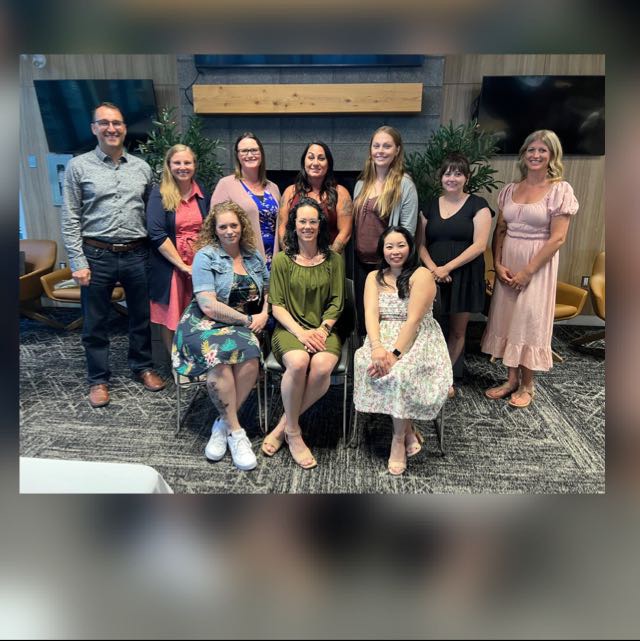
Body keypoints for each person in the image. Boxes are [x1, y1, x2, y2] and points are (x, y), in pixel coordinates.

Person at [61, 101, 165, 408]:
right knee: (95, 323)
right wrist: (78, 262)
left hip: (137, 254)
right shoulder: (78, 167)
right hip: (96, 255)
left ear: (124, 128)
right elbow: (70, 217)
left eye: (117, 123)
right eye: (104, 123)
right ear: (94, 128)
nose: (111, 128)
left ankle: (142, 366)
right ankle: (98, 379)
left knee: (140, 317)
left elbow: (151, 214)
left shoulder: (142, 168)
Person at [481, 130, 578, 408]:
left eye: (542, 150)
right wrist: (497, 263)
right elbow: (501, 229)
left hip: (537, 266)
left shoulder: (560, 190)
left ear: (552, 156)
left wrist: (527, 272)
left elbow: (557, 238)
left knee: (528, 320)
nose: (535, 155)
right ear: (524, 154)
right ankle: (511, 379)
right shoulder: (510, 189)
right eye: (531, 150)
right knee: (507, 319)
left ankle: (528, 384)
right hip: (508, 262)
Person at [172, 201, 269, 471]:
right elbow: (208, 305)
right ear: (214, 229)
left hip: (241, 324)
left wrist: (264, 313)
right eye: (223, 226)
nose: (229, 231)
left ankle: (222, 424)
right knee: (219, 358)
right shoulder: (206, 256)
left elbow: (269, 290)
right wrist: (247, 320)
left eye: (234, 225)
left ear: (242, 226)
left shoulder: (253, 256)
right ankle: (236, 432)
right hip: (203, 323)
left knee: (251, 356)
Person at [353, 226, 451, 475]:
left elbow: (414, 320)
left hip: (418, 338)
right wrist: (377, 347)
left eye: (401, 245)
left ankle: (397, 441)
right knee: (366, 362)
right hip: (382, 335)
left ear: (410, 248)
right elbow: (371, 314)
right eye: (389, 246)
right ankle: (408, 430)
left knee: (399, 373)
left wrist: (394, 355)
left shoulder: (421, 274)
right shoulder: (374, 277)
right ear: (382, 250)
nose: (395, 251)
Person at [261, 198, 345, 470]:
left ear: (320, 225)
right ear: (294, 225)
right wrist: (302, 334)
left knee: (321, 367)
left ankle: (283, 427)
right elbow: (277, 305)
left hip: (324, 329)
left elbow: (337, 302)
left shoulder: (334, 259)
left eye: (313, 221)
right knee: (298, 362)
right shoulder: (282, 260)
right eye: (302, 221)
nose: (307, 226)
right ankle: (295, 434)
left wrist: (321, 330)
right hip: (290, 328)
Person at [419, 153, 493, 398]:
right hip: (432, 275)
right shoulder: (429, 206)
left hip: (464, 274)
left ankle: (445, 379)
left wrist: (447, 268)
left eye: (458, 173)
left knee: (458, 331)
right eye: (447, 173)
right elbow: (420, 244)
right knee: (428, 328)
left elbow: (480, 245)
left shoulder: (478, 205)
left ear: (466, 178)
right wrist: (434, 269)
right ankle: (426, 375)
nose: (452, 178)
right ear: (441, 177)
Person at [352, 125, 418, 336]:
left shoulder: (405, 185)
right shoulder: (361, 184)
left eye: (387, 146)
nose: (380, 151)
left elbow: (407, 232)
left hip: (387, 266)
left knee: (385, 320)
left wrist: (394, 263)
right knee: (363, 317)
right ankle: (365, 353)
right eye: (376, 146)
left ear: (397, 150)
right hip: (360, 263)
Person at [147, 145, 210, 355]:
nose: (183, 167)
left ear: (194, 165)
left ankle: (197, 359)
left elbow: (210, 228)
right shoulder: (159, 194)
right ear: (169, 165)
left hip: (199, 266)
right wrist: (182, 266)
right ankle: (176, 361)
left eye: (187, 162)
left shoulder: (202, 193)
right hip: (171, 266)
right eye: (177, 163)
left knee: (200, 314)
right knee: (172, 318)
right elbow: (156, 233)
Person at [210, 132, 280, 268]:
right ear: (237, 155)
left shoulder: (273, 187)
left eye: (254, 150)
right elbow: (214, 227)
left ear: (261, 153)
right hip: (243, 260)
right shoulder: (226, 185)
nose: (249, 154)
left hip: (273, 258)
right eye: (244, 151)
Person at [277, 141, 353, 254]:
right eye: (311, 157)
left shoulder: (341, 193)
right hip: (295, 256)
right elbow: (282, 227)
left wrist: (327, 259)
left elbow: (345, 232)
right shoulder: (290, 192)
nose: (315, 163)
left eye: (321, 158)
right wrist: (291, 255)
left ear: (328, 164)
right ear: (304, 162)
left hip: (330, 257)